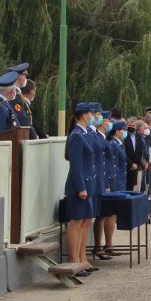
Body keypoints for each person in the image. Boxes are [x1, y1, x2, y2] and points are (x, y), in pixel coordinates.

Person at [64, 102, 96, 276]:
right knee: (76, 222)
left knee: (85, 222)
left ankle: (82, 258)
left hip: (88, 184)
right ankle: (74, 261)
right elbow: (76, 165)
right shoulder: (76, 135)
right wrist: (81, 187)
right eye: (91, 114)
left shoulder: (84, 133)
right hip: (79, 186)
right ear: (84, 115)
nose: (93, 117)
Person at [87, 105, 111, 261]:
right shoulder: (87, 134)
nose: (99, 118)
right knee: (86, 220)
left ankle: (98, 247)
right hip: (92, 181)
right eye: (97, 115)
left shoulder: (94, 134)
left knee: (100, 215)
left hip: (99, 180)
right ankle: (84, 256)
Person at [102, 120, 128, 257]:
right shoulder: (113, 144)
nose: (124, 132)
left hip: (119, 181)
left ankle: (109, 244)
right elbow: (113, 166)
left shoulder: (118, 144)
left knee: (113, 215)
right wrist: (112, 185)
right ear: (117, 131)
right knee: (110, 214)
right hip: (115, 182)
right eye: (123, 130)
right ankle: (108, 244)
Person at [7, 62, 32, 130]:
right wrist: (33, 134)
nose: (26, 79)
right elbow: (23, 119)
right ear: (21, 78)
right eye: (25, 76)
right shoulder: (15, 95)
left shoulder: (18, 94)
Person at [124, 117, 148, 191]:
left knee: (137, 189)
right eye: (129, 125)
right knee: (128, 188)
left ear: (136, 127)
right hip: (127, 166)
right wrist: (131, 164)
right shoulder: (124, 136)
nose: (131, 127)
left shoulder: (139, 137)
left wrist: (142, 163)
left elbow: (140, 152)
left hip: (137, 166)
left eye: (133, 125)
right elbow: (124, 152)